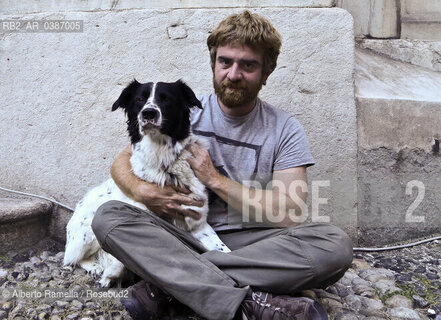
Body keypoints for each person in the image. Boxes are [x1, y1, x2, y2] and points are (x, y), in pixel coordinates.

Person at [91, 10, 353, 320]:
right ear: (214, 63)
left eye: (248, 65)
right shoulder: (182, 110)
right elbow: (123, 162)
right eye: (225, 62)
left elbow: (288, 212)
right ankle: (251, 303)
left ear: (267, 72)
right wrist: (142, 191)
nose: (233, 74)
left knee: (334, 246)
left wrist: (215, 180)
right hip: (181, 235)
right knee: (108, 217)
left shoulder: (285, 128)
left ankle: (169, 284)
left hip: (253, 242)